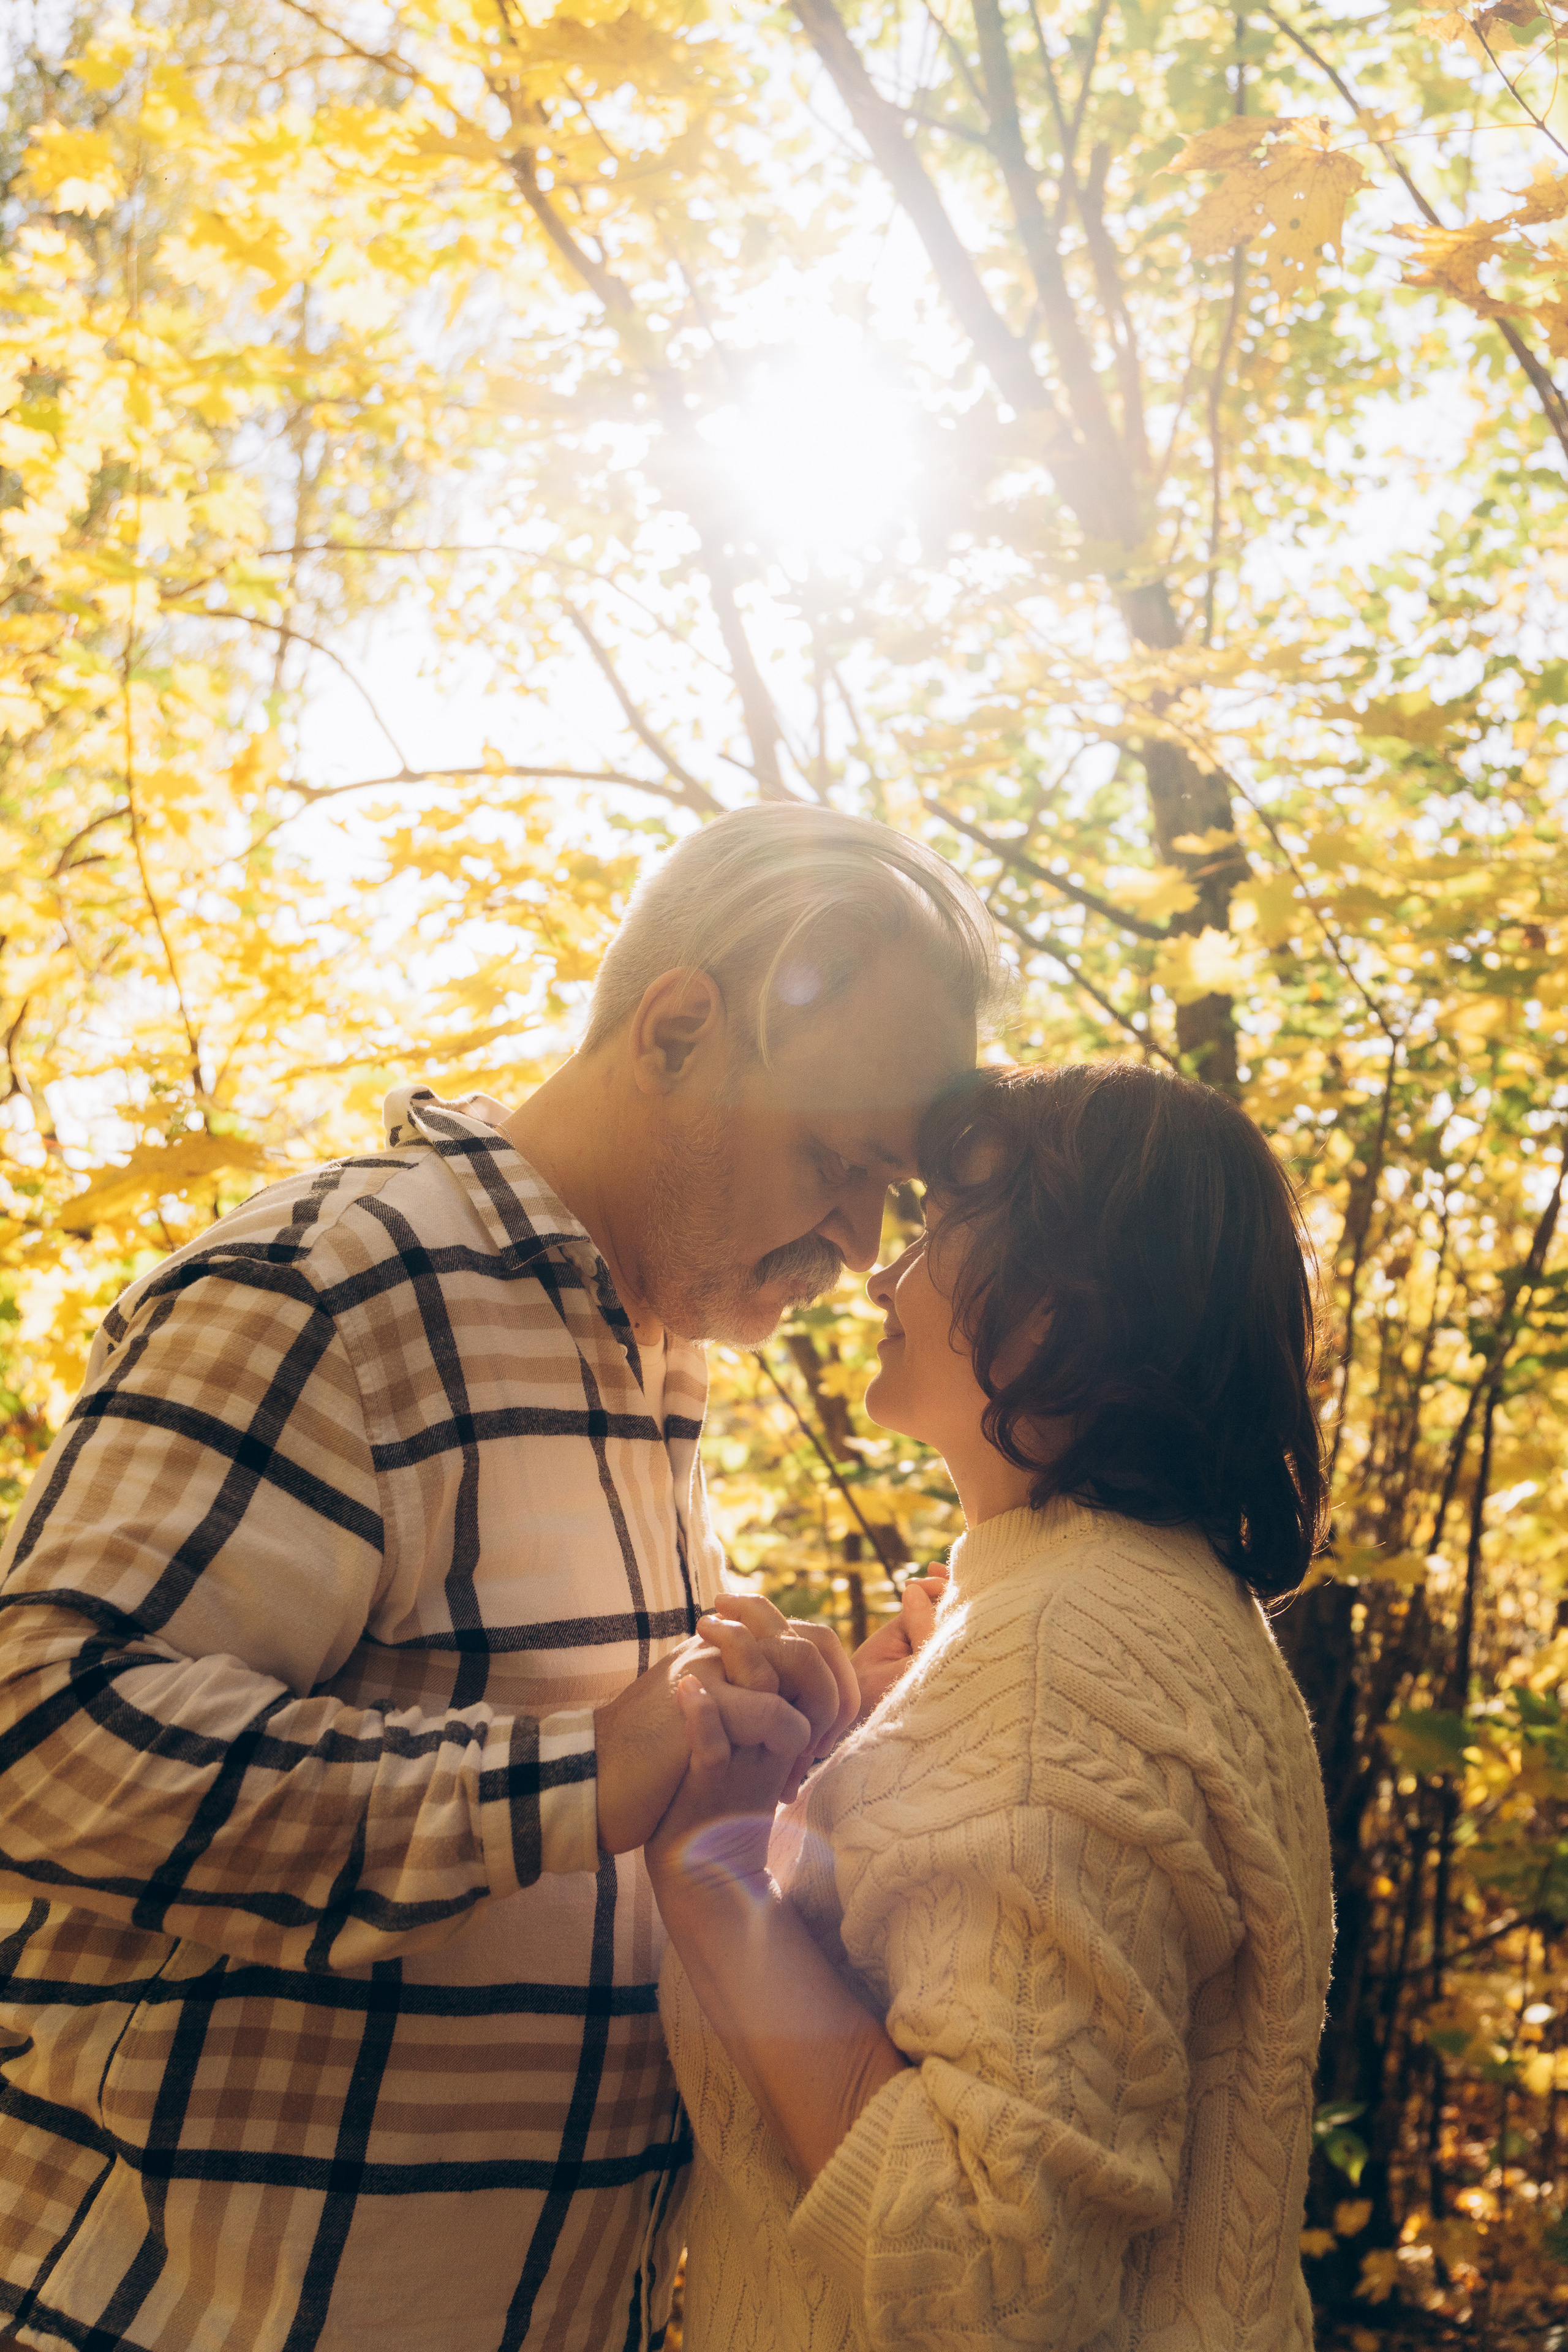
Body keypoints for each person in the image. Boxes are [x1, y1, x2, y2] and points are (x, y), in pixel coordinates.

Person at [0, 806, 1001, 2352]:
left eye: (891, 1190)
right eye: (832, 1157)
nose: (861, 1243)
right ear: (676, 1028)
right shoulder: (336, 1288)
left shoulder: (650, 1359)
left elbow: (571, 1825)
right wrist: (577, 1777)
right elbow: (39, 1743)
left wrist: (799, 1749)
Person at [650, 1059, 1336, 2352]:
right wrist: (840, 1769)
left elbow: (986, 2284)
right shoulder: (1151, 1606)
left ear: (1065, 1305)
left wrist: (712, 1872)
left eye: (934, 1232)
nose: (878, 1275)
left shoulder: (1058, 1651)